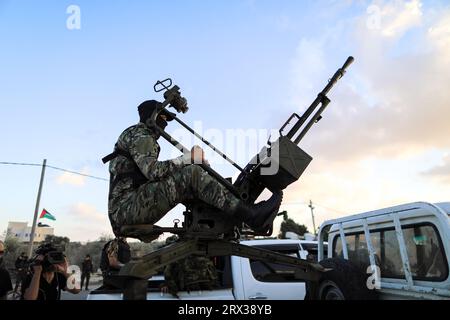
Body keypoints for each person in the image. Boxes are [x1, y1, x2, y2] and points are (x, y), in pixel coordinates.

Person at [105, 100, 282, 237]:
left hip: (130, 207)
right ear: (154, 117)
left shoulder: (139, 136)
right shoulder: (141, 135)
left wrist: (190, 162)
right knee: (192, 175)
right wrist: (187, 159)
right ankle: (251, 216)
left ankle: (237, 213)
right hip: (126, 211)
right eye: (164, 118)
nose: (165, 122)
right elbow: (153, 172)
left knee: (192, 175)